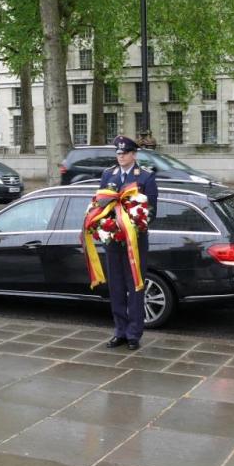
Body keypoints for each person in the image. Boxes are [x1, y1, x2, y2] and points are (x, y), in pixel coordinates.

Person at [99, 135, 158, 351]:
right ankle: (120, 331)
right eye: (118, 153)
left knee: (135, 287)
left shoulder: (145, 178)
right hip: (113, 242)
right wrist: (107, 226)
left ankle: (134, 334)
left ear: (134, 155)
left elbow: (151, 211)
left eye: (124, 153)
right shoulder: (108, 175)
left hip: (135, 242)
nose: (120, 156)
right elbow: (99, 205)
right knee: (115, 287)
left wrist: (133, 224)